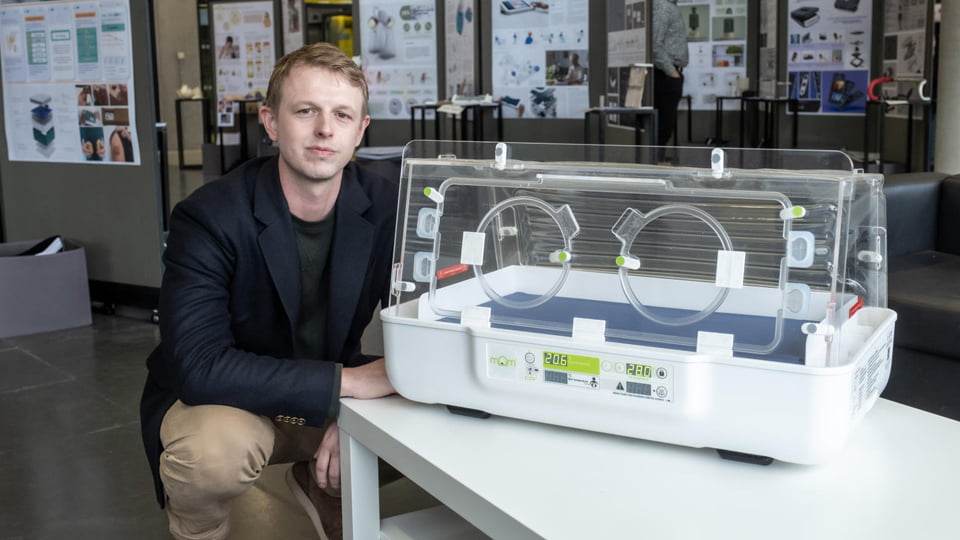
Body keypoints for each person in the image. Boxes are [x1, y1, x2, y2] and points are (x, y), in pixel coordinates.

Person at [139, 42, 399, 540]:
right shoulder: (209, 215)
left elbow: (430, 318)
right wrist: (348, 384)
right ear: (271, 122)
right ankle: (198, 528)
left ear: (360, 131)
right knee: (212, 457)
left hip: (319, 397)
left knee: (430, 415)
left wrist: (357, 418)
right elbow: (200, 367)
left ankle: (325, 486)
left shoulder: (388, 205)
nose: (325, 129)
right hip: (225, 402)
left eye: (342, 115)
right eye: (306, 111)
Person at [652, 0, 688, 153]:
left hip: (667, 73)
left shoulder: (668, 7)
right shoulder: (664, 7)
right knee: (663, 125)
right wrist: (671, 72)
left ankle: (657, 161)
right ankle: (656, 163)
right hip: (665, 75)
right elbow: (654, 44)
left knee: (665, 125)